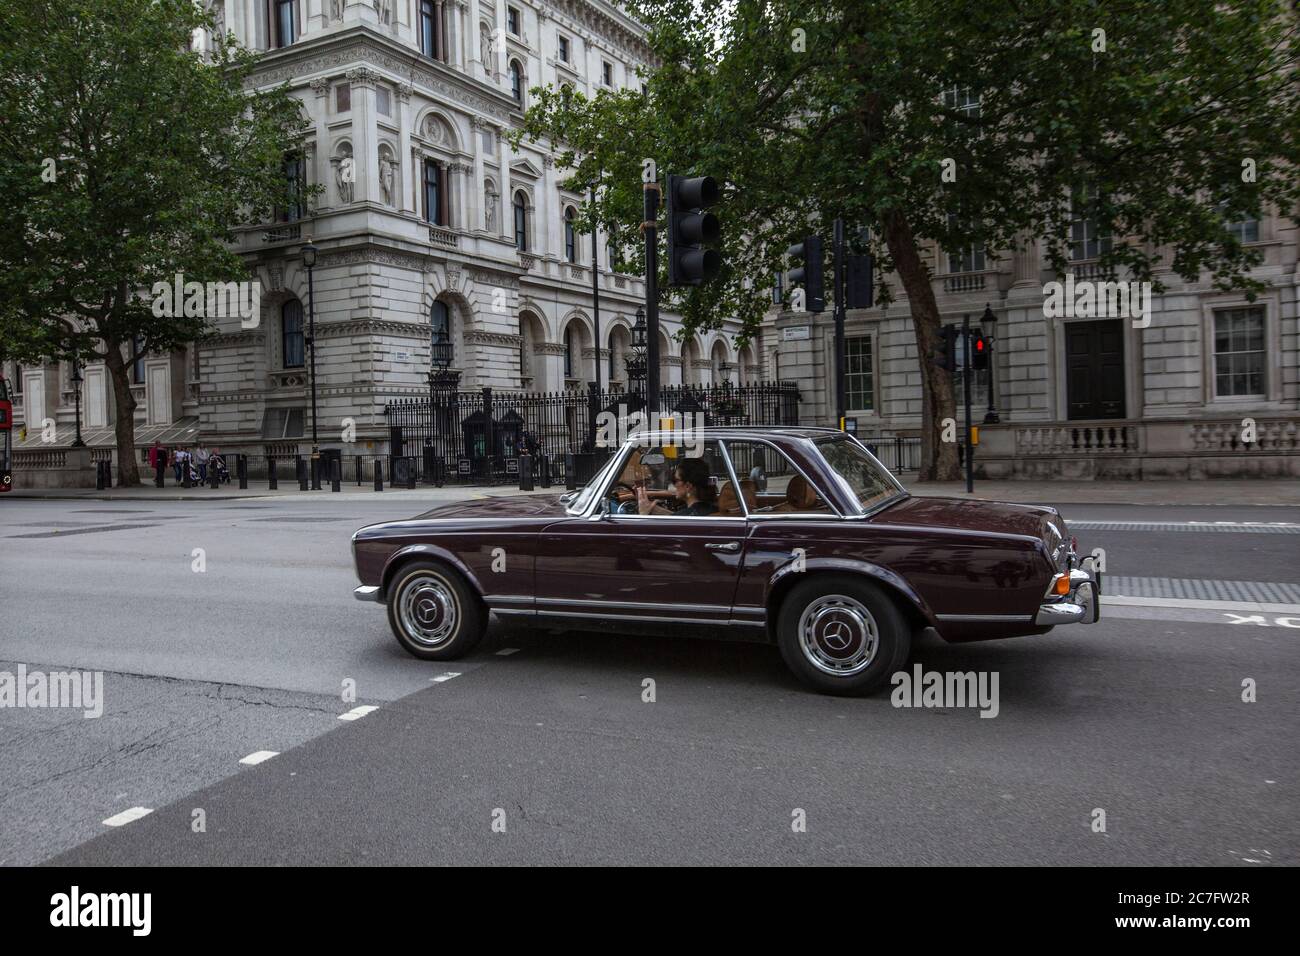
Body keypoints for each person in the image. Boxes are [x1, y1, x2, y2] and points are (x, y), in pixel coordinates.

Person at [637, 457, 718, 517]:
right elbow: (679, 516)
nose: (674, 485)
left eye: (675, 480)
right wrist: (656, 509)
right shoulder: (712, 509)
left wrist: (643, 514)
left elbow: (644, 538)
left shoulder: (684, 518)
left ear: (688, 486)